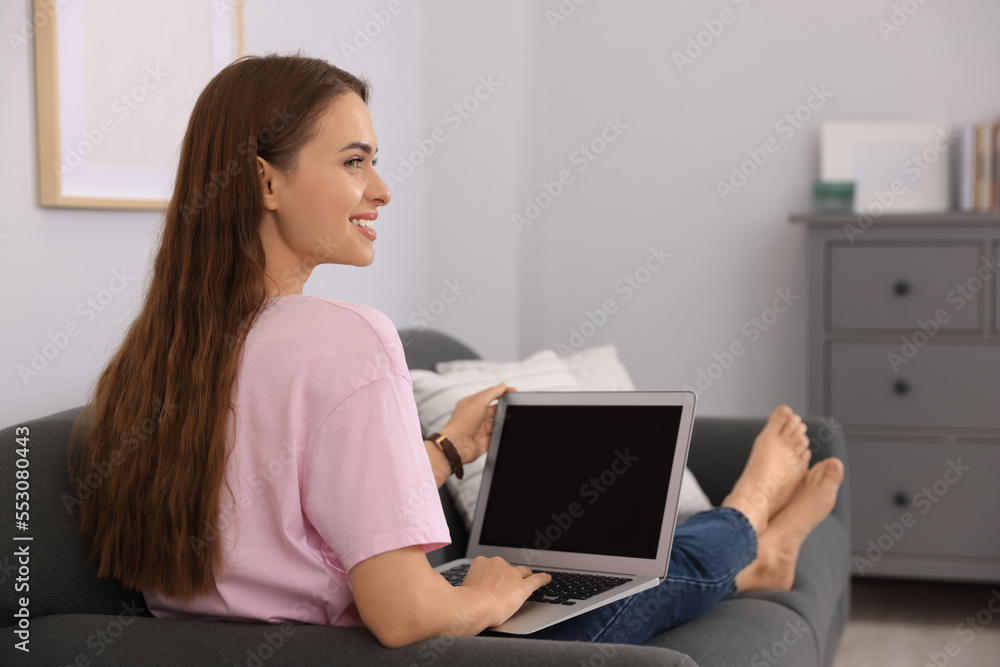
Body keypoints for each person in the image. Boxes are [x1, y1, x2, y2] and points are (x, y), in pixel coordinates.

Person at [68, 53, 844, 650]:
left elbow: (276, 509)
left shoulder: (154, 355)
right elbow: (406, 614)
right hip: (379, 648)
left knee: (580, 557)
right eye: (353, 161)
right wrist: (489, 598)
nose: (382, 190)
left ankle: (757, 553)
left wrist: (443, 451)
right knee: (627, 567)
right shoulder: (348, 338)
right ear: (265, 183)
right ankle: (750, 522)